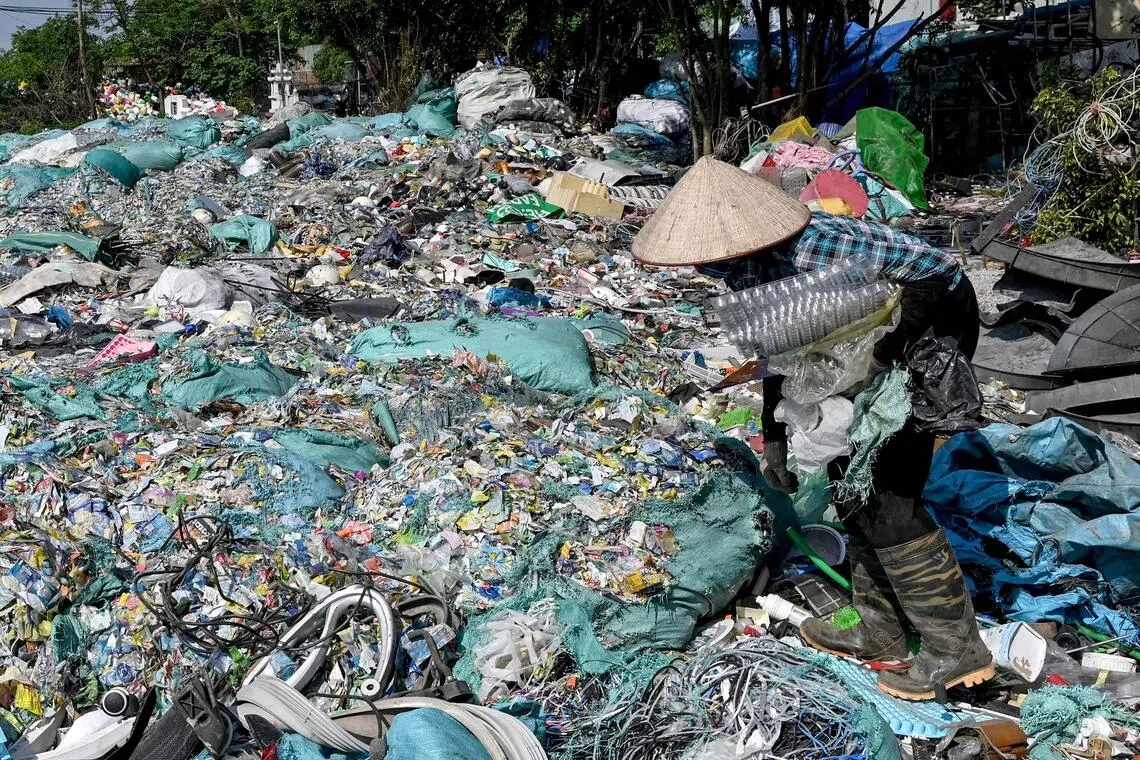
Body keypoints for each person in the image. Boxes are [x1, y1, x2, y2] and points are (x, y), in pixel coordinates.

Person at [632, 157, 994, 702]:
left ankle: (957, 650)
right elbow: (781, 350)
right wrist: (772, 433)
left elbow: (933, 281)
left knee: (891, 497)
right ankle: (881, 628)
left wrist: (876, 361)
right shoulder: (738, 269)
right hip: (854, 338)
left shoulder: (816, 250)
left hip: (922, 327)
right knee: (852, 492)